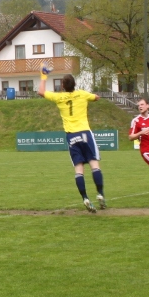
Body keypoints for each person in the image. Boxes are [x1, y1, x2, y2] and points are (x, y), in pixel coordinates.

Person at [38, 70, 105, 212]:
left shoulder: (59, 97)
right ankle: (100, 194)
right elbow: (96, 97)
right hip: (85, 133)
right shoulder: (82, 94)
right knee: (94, 165)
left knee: (79, 169)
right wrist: (91, 97)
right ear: (75, 84)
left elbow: (41, 92)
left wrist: (44, 76)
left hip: (71, 136)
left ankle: (85, 198)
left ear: (62, 86)